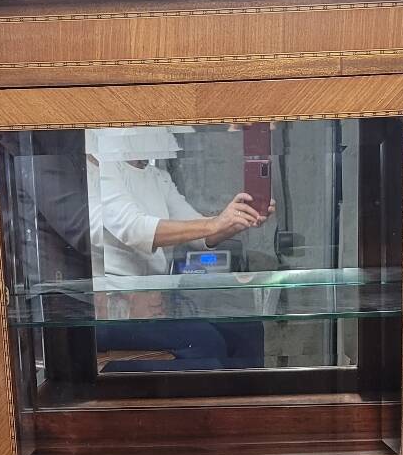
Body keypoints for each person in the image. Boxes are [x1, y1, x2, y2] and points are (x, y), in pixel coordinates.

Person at [89, 127, 272, 372]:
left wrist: (237, 218)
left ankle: (245, 397)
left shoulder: (157, 176)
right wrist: (216, 223)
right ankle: (116, 380)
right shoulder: (102, 170)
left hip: (155, 305)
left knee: (248, 329)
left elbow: (200, 233)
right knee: (206, 342)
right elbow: (135, 229)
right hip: (115, 309)